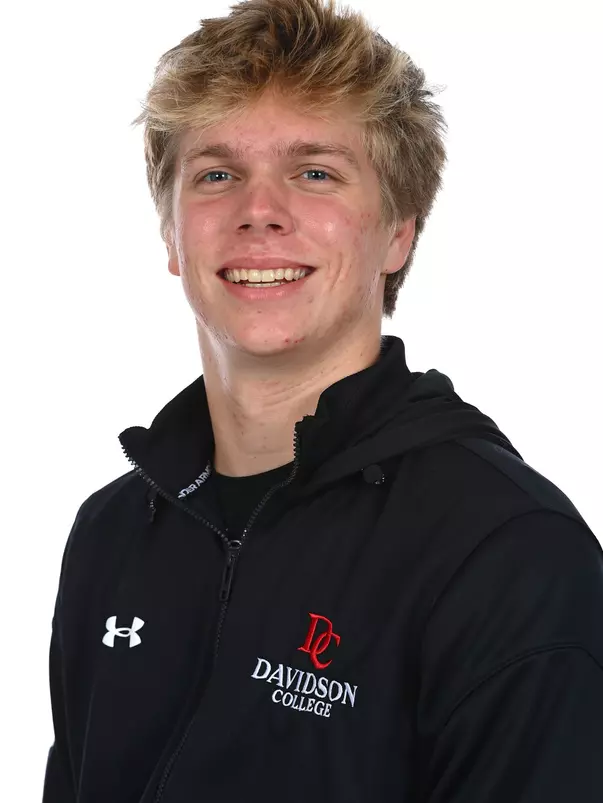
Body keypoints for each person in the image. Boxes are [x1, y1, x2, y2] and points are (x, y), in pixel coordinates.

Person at [42, 0, 603, 800]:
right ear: (171, 234)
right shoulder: (112, 533)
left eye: (315, 173)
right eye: (215, 174)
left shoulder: (508, 553)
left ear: (399, 231)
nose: (258, 210)